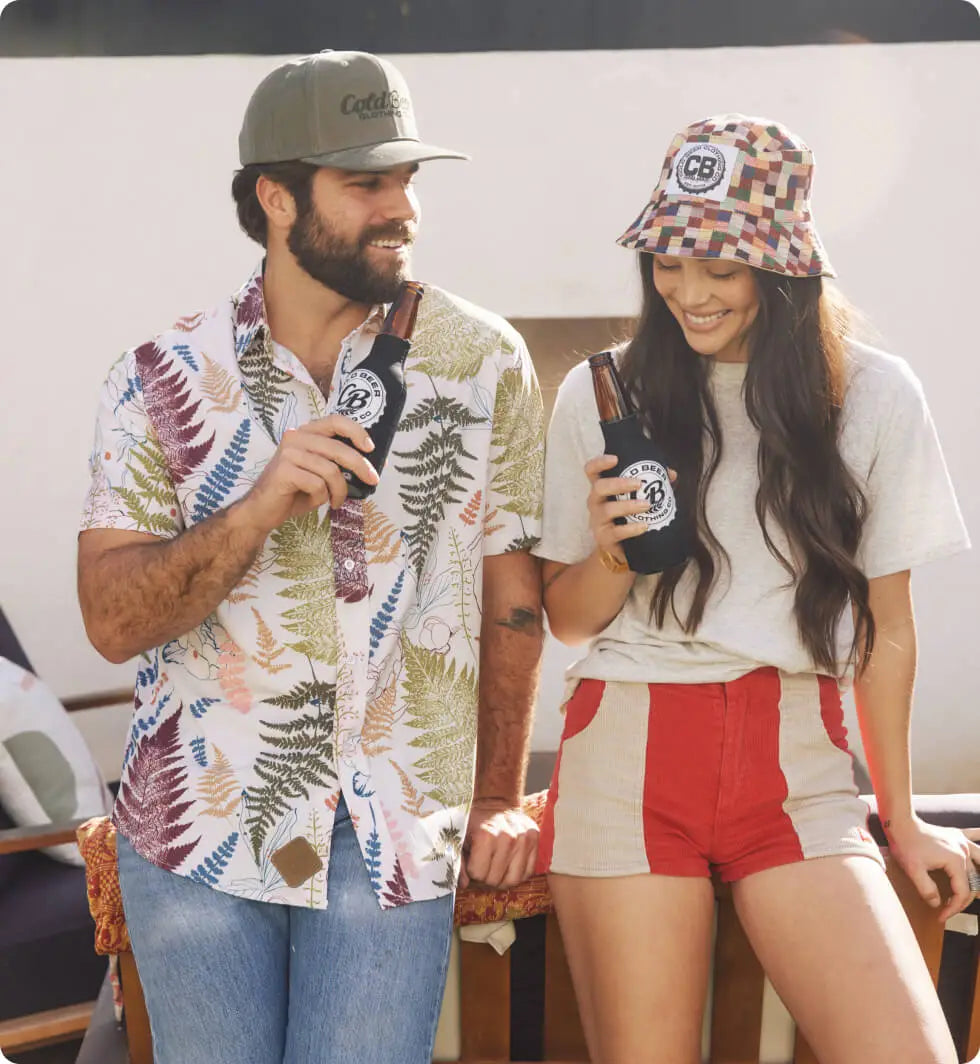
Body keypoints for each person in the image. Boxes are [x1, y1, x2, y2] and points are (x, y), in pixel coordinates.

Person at [77, 49, 544, 1064]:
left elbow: (513, 596)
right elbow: (112, 622)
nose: (402, 207)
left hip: (394, 826)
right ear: (276, 197)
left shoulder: (483, 360)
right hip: (196, 835)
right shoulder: (159, 375)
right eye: (366, 181)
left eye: (407, 178)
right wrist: (255, 507)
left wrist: (501, 793)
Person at [533, 114, 977, 1064]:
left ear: (782, 271)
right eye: (668, 261)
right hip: (628, 754)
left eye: (720, 269)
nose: (688, 292)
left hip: (800, 771)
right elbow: (566, 623)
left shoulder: (873, 395)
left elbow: (887, 631)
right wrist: (614, 550)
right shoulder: (604, 392)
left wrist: (902, 821)